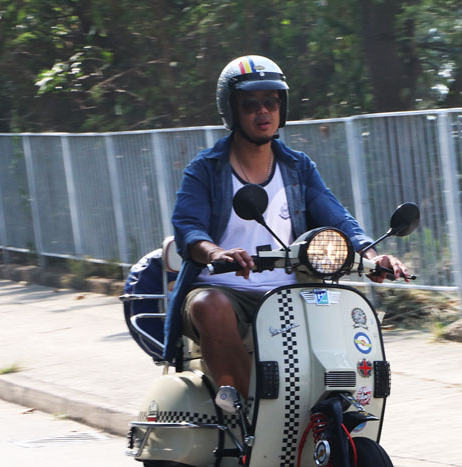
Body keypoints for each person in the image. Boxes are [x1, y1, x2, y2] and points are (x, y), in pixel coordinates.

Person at [164, 55, 409, 401]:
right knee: (209, 306)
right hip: (223, 291)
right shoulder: (205, 169)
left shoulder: (298, 167)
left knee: (340, 311)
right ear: (231, 110)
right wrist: (217, 253)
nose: (263, 112)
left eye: (271, 101)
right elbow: (189, 228)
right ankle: (251, 411)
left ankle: (340, 410)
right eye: (250, 104)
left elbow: (337, 219)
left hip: (288, 290)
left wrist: (371, 256)